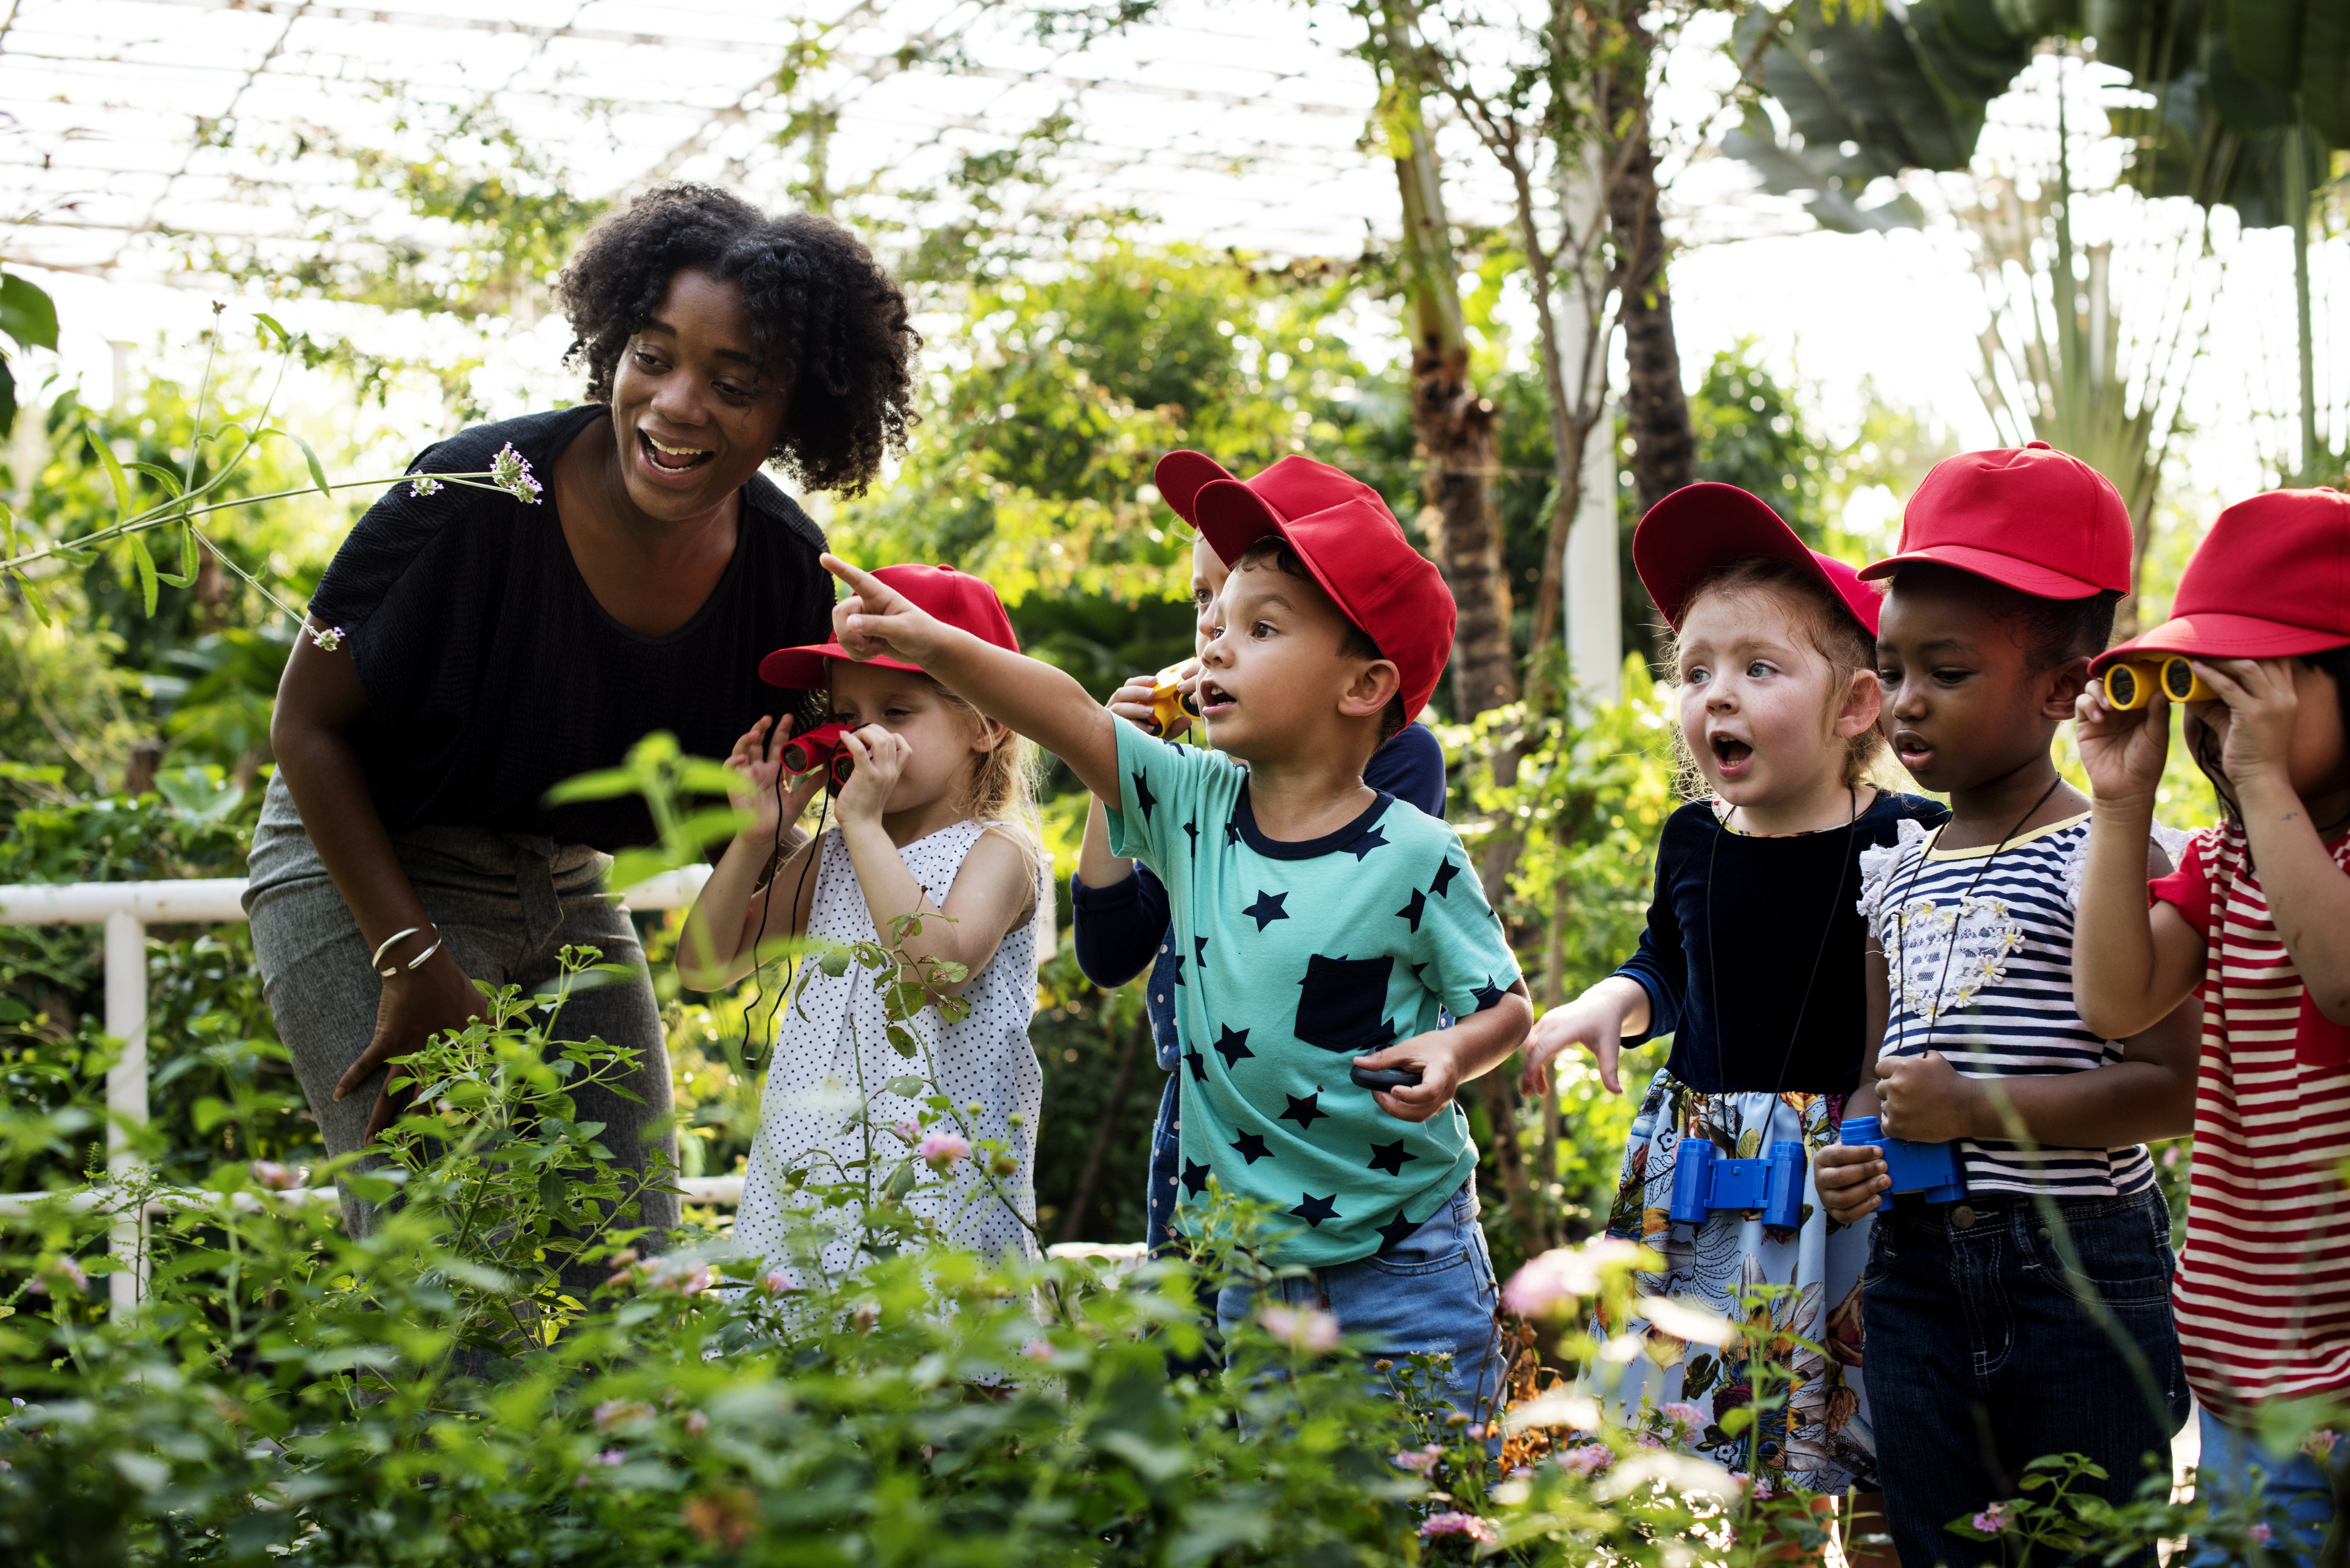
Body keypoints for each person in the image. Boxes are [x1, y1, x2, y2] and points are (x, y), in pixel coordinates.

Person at [248, 186, 919, 1276]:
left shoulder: (785, 572)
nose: (677, 403)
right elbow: (305, 725)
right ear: (611, 343)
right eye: (652, 356)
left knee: (633, 1266)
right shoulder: (467, 493)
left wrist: (921, 871)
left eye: (734, 382)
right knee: (447, 1268)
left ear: (795, 411)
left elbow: (751, 824)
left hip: (561, 881)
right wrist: (410, 956)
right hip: (362, 864)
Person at [816, 477, 1533, 1423]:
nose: (1212, 642)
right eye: (1213, 616)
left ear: (1362, 685)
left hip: (1402, 1256)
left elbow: (1504, 1006)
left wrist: (1454, 1050)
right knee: (1267, 1510)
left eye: (1260, 627)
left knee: (1426, 1508)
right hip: (1244, 1262)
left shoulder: (1416, 850)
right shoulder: (1187, 799)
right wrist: (932, 642)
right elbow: (1066, 714)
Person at [1520, 484, 1943, 1540]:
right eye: (1695, 669)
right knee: (1753, 1469)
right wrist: (1601, 1004)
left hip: (1853, 1181)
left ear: (1853, 706)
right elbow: (1664, 962)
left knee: (1877, 1449)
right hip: (1708, 1190)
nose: (1717, 695)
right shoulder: (1691, 837)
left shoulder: (1907, 836)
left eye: (1758, 667)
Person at [1811, 444, 2198, 1568]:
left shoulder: (2107, 856)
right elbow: (1880, 1068)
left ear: (2061, 686)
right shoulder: (1897, 863)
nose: (1906, 701)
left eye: (1947, 670)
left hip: (2073, 1271)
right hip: (1914, 1270)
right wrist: (1853, 1145)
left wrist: (1974, 1106)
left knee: (2088, 1546)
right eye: (1892, 667)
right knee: (1938, 1545)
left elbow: (2169, 1089)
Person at [1070, 450, 1448, 1256]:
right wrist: (1116, 771)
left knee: (1336, 1368)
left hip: (1337, 1131)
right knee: (1195, 1360)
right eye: (1203, 599)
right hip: (1206, 1112)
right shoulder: (1194, 777)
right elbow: (1108, 952)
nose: (1211, 627)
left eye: (1254, 616)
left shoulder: (1399, 760)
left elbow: (1329, 929)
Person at [2070, 487, 2350, 1564]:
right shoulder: (2222, 860)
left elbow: (2336, 980)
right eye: (2198, 688)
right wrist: (2118, 802)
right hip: (2239, 1371)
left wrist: (2265, 776)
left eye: (2250, 687)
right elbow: (2116, 998)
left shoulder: (2293, 848)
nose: (2210, 724)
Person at [678, 564, 1046, 1277]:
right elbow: (704, 964)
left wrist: (863, 828)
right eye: (845, 715)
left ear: (987, 724)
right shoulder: (838, 850)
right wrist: (756, 837)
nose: (860, 735)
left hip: (936, 1191)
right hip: (811, 1179)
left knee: (937, 1374)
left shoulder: (999, 853)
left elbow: (932, 969)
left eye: (896, 711)